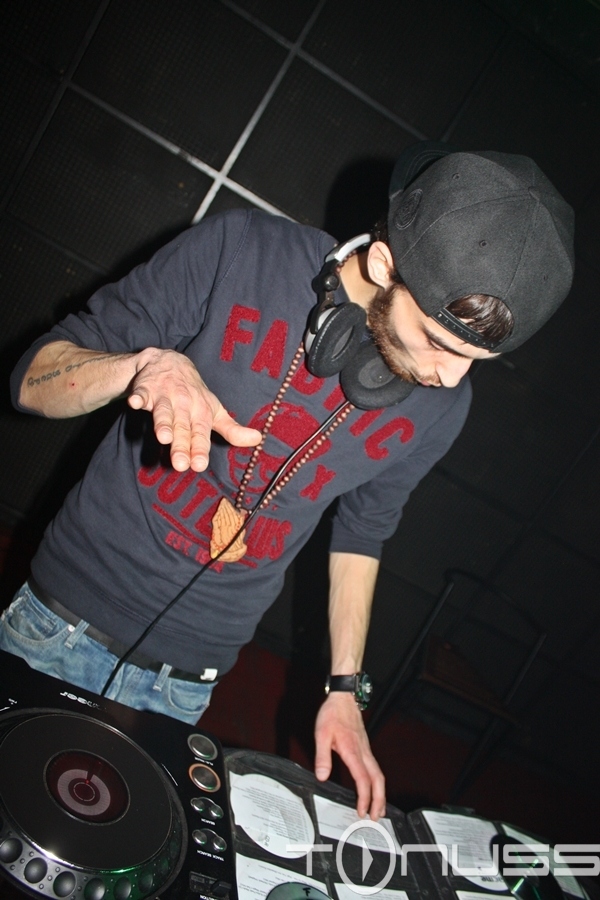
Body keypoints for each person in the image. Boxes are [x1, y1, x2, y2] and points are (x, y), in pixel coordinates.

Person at [1, 143, 574, 819]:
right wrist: (140, 367)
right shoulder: (240, 251)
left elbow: (363, 534)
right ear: (385, 265)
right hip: (58, 625)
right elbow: (33, 379)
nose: (449, 379)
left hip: (189, 683)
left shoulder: (444, 406)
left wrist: (344, 689)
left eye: (476, 360)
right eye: (440, 343)